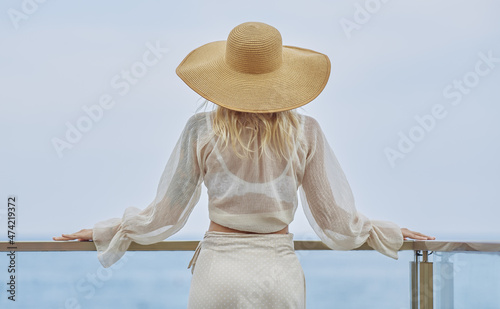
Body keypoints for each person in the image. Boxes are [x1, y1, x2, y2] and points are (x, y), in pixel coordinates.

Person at [53, 21, 435, 308]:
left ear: (224, 77)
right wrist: (387, 232)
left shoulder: (200, 130)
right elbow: (336, 221)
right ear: (282, 76)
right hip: (278, 275)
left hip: (218, 273)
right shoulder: (306, 132)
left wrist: (108, 231)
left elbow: (164, 215)